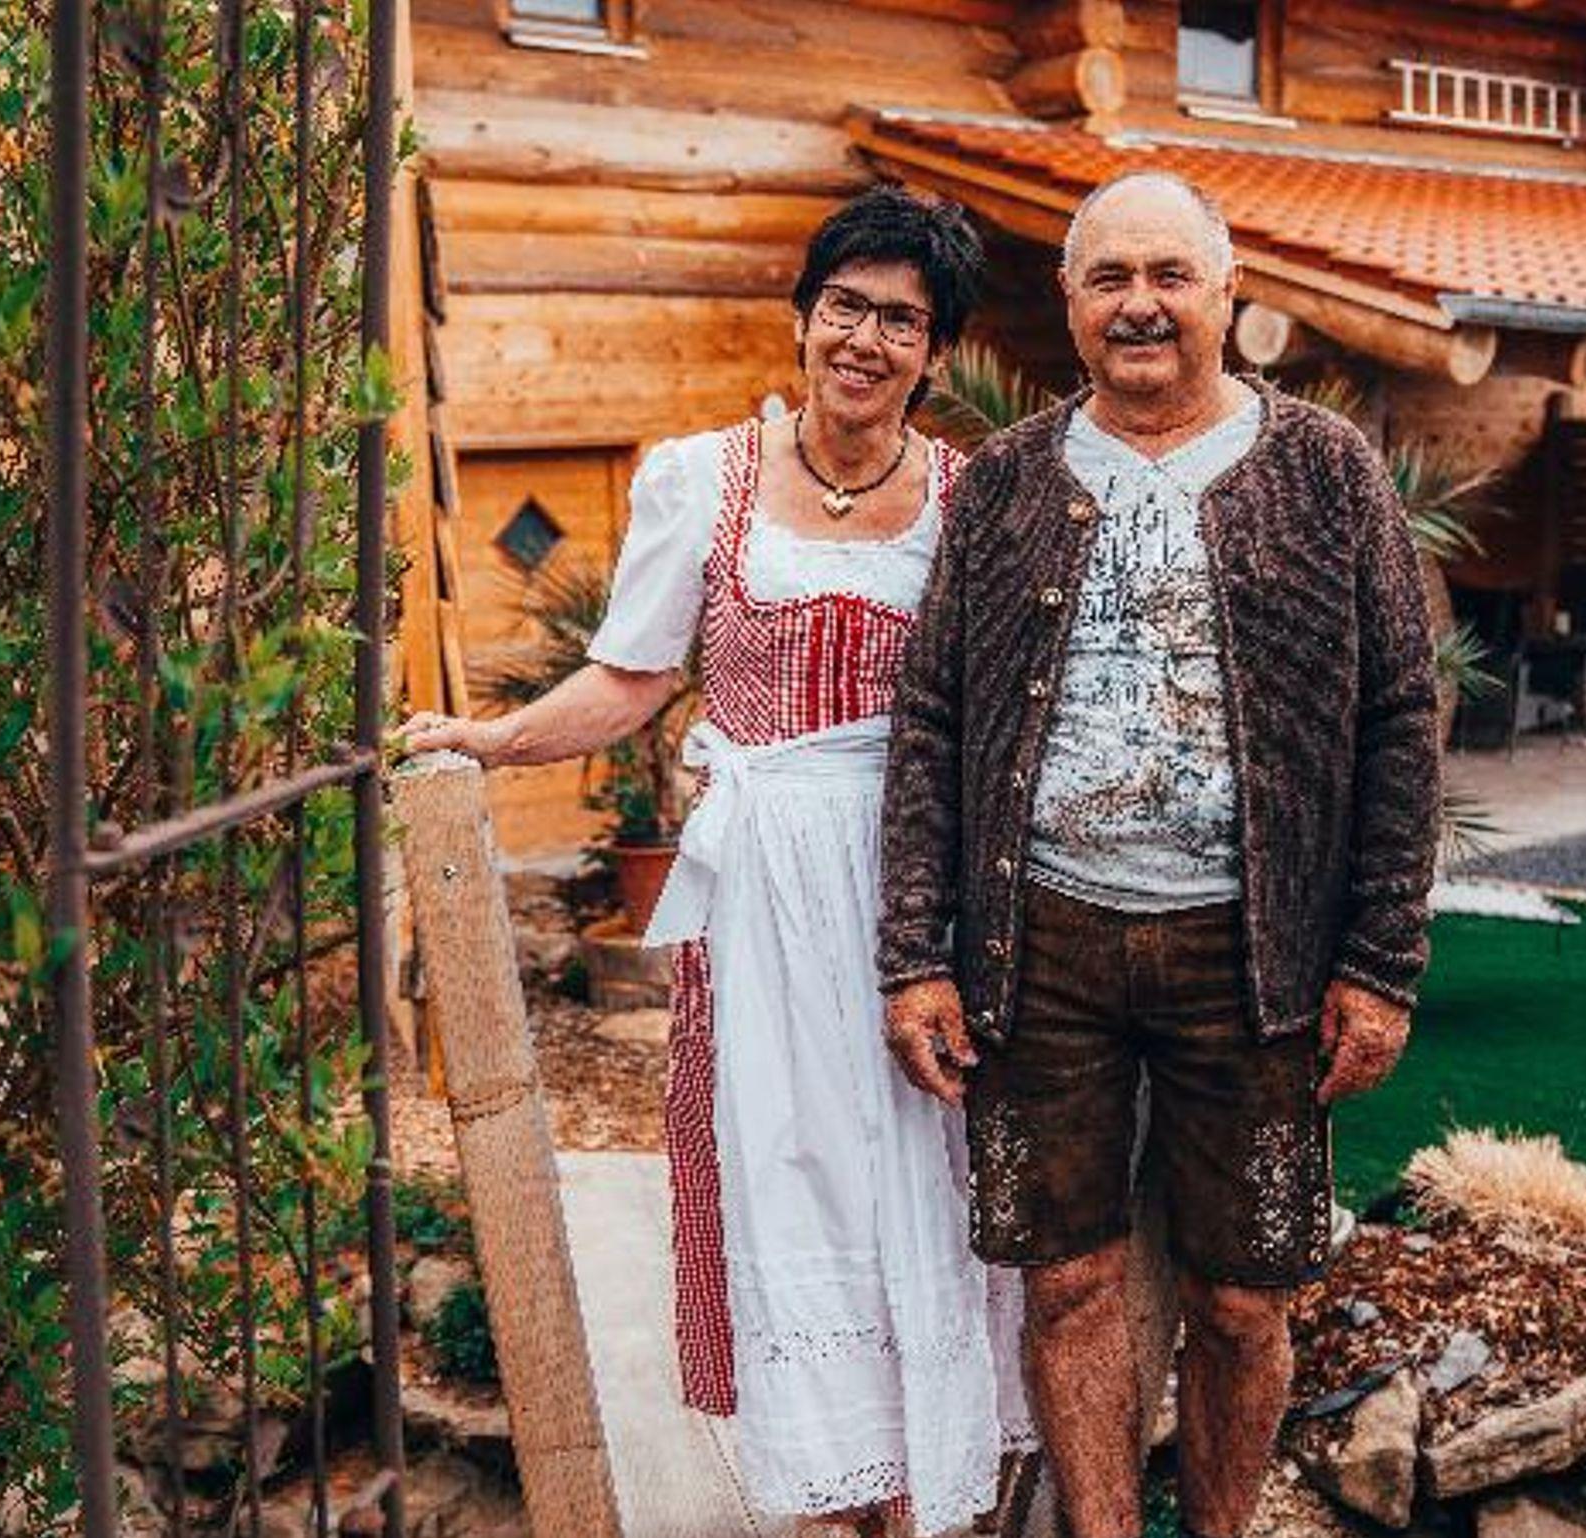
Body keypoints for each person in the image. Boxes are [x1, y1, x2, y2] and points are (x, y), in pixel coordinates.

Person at [403, 186, 1031, 1535]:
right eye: (846, 306)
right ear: (804, 317)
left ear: (933, 351)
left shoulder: (968, 498)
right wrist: (495, 737)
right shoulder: (705, 478)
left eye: (902, 320)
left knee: (925, 1164)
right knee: (786, 1163)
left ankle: (927, 1481)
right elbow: (631, 678)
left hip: (915, 879)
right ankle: (827, 1487)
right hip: (764, 893)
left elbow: (1000, 708)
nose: (866, 339)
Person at [875, 172, 1440, 1538]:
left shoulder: (1326, 470)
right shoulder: (1007, 481)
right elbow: (933, 715)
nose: (1141, 303)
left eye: (1170, 275)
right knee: (1066, 1283)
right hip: (1042, 948)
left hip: (1255, 956)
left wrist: (1380, 963)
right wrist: (914, 955)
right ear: (1069, 302)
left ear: (1226, 294)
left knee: (1244, 1298)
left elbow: (1400, 714)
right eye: (1111, 277)